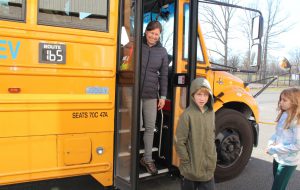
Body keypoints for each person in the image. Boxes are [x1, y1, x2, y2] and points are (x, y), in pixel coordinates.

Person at [175, 78, 217, 190]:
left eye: (205, 95)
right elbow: (179, 142)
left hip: (208, 171)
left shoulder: (211, 113)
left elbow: (212, 135)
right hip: (190, 172)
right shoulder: (187, 115)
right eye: (199, 94)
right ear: (193, 95)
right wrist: (186, 162)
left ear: (209, 96)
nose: (202, 98)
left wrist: (213, 156)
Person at [139, 21, 168, 175]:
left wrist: (162, 96)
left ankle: (147, 158)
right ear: (146, 31)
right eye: (152, 33)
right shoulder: (136, 45)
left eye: (157, 34)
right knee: (137, 124)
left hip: (151, 95)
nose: (154, 36)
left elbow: (164, 75)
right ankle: (128, 157)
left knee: (150, 127)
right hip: (134, 94)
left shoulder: (162, 52)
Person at [266, 87, 300, 190]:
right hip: (278, 157)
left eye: (284, 100)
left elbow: (297, 145)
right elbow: (277, 133)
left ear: (294, 102)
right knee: (277, 185)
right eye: (281, 99)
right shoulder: (284, 114)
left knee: (277, 187)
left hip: (288, 162)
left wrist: (274, 149)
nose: (281, 102)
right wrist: (270, 143)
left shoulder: (297, 122)